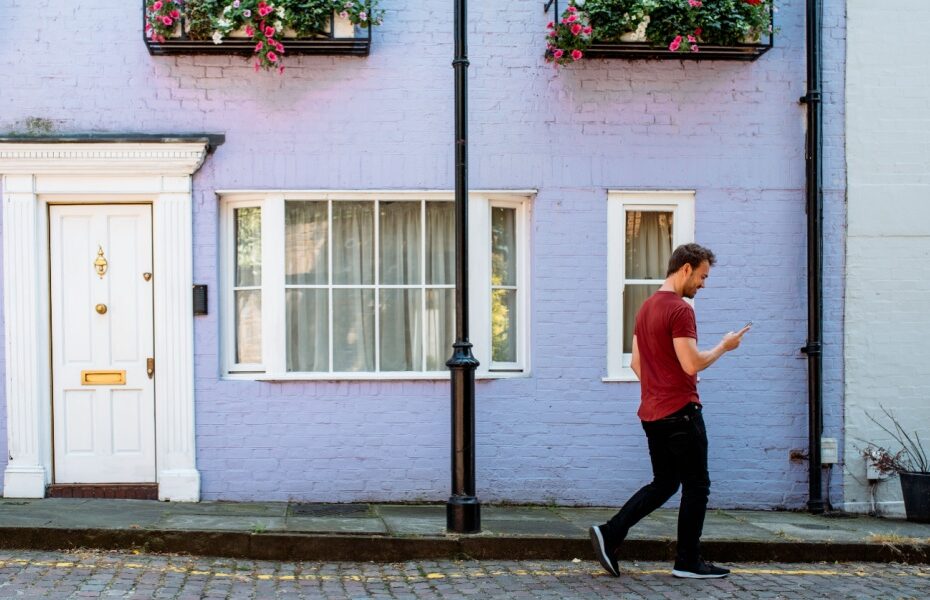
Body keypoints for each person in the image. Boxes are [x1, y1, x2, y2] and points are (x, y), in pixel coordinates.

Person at [590, 243, 750, 579]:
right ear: (687, 268)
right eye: (702, 276)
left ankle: (610, 532)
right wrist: (724, 346)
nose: (703, 285)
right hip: (681, 412)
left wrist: (664, 382)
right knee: (697, 485)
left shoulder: (646, 307)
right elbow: (691, 361)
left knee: (664, 483)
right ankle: (687, 561)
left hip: (653, 413)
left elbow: (636, 363)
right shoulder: (680, 309)